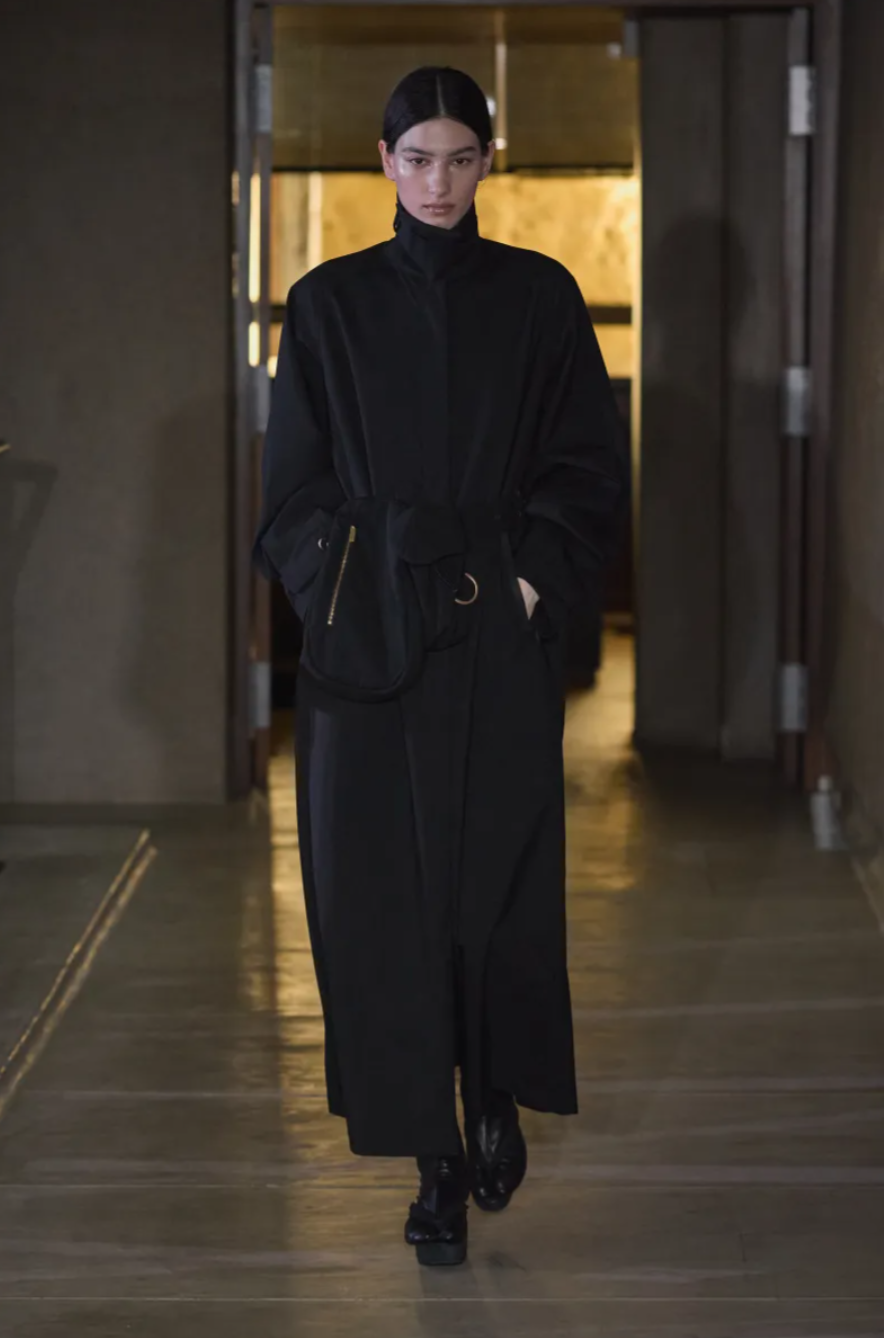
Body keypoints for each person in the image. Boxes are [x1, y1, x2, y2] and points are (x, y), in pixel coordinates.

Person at [253, 66, 625, 1267]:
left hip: (495, 633)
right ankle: (433, 1166)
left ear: (485, 164)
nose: (437, 182)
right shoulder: (325, 306)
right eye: (416, 158)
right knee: (383, 907)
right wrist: (349, 594)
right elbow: (291, 493)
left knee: (494, 891)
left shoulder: (537, 296)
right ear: (383, 162)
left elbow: (585, 463)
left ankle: (494, 1090)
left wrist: (526, 582)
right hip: (368, 653)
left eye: (459, 158)